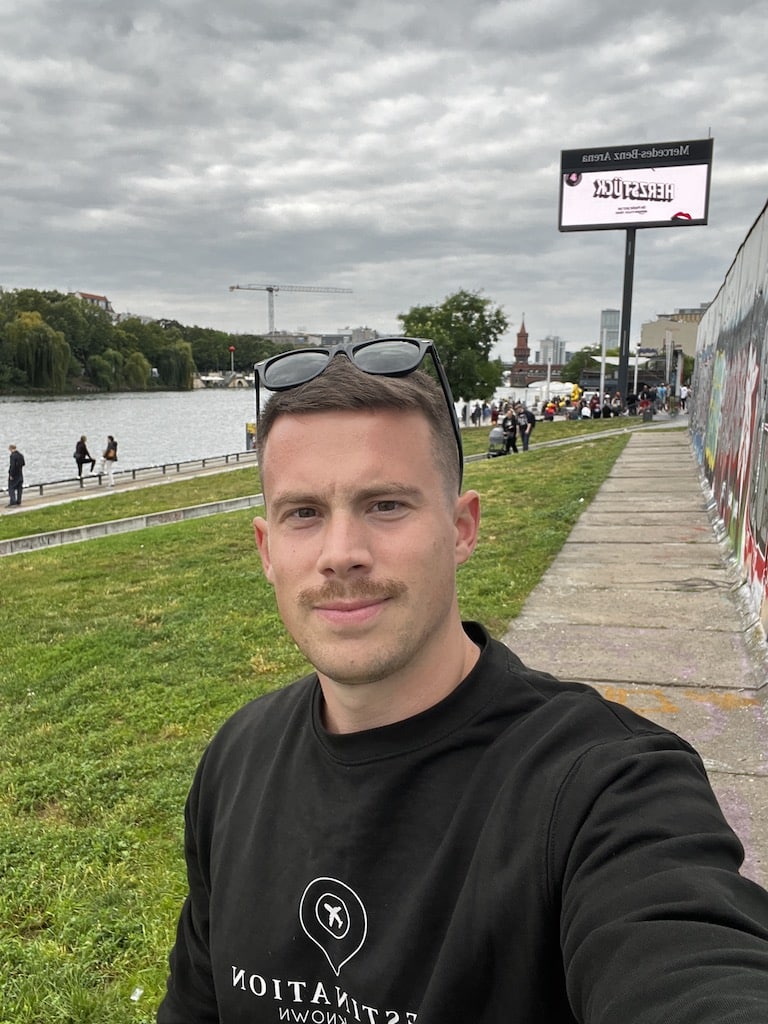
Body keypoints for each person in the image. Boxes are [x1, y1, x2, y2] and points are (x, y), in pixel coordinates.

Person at [158, 338, 768, 1024]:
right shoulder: (236, 759)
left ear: (462, 528)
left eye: (385, 505)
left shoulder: (605, 787)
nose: (341, 555)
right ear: (268, 552)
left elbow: (693, 966)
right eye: (304, 513)